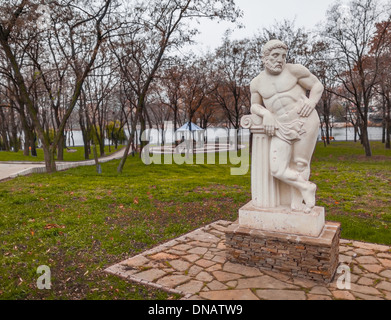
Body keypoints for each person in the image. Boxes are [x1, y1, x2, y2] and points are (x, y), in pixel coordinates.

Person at [250, 40, 324, 213]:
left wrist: (312, 101)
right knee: (277, 169)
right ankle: (306, 187)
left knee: (300, 163)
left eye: (283, 56)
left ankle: (297, 204)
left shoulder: (294, 70)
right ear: (264, 58)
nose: (280, 60)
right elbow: (254, 105)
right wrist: (266, 114)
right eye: (275, 56)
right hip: (280, 125)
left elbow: (317, 85)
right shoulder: (257, 83)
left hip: (304, 118)